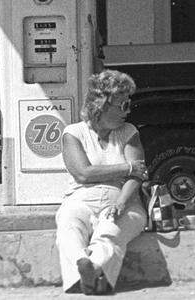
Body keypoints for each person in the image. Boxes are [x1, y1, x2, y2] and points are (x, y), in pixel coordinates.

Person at [55, 70, 147, 295]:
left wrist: (122, 203)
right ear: (102, 105)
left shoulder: (129, 132)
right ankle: (84, 265)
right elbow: (83, 174)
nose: (128, 111)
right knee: (69, 224)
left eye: (128, 104)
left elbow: (138, 175)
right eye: (122, 105)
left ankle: (91, 270)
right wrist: (125, 167)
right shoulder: (73, 133)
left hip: (121, 198)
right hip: (81, 197)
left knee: (110, 230)